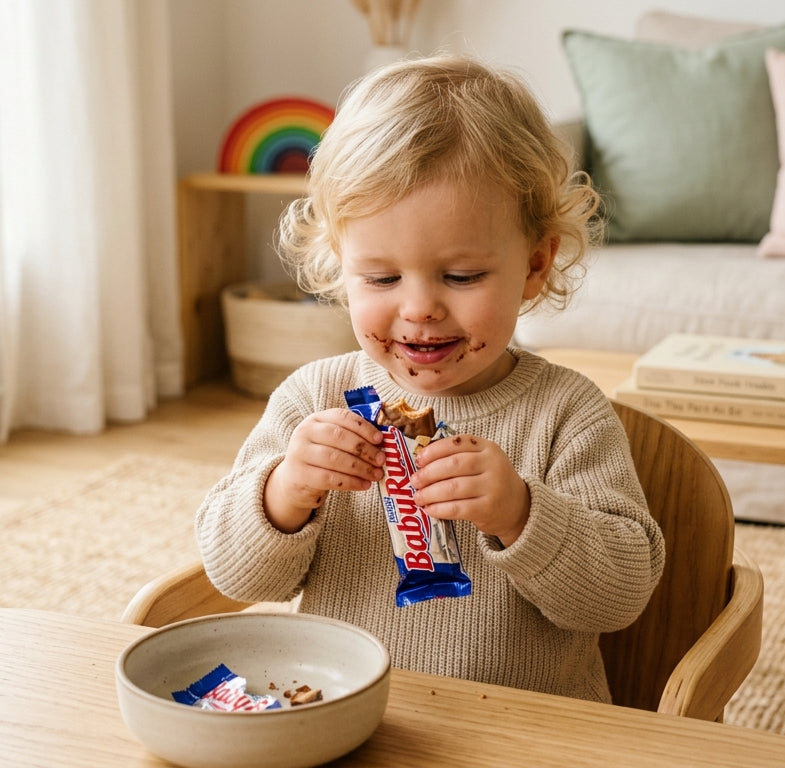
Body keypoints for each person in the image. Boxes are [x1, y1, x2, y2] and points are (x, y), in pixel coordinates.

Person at [195, 54, 664, 703]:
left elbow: (620, 594)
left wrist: (522, 514)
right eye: (382, 278)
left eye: (462, 276)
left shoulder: (566, 412)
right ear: (340, 266)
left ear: (534, 264)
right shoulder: (313, 400)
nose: (419, 308)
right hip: (352, 721)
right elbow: (236, 572)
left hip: (525, 736)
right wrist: (287, 490)